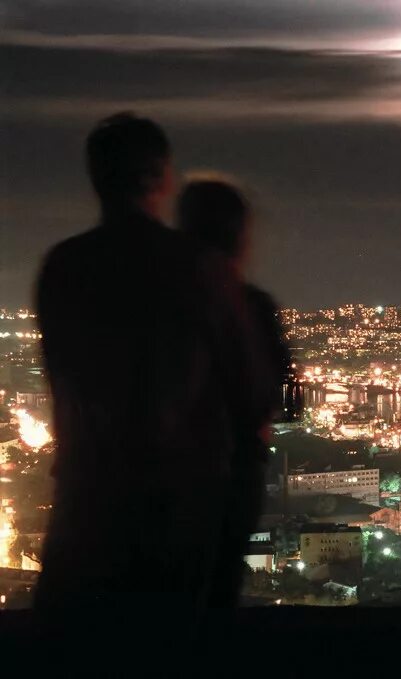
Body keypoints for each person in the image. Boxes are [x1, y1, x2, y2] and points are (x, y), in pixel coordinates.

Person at [33, 113, 256, 616]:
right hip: (175, 510)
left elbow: (60, 377)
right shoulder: (199, 269)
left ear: (96, 178)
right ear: (161, 177)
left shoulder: (64, 267)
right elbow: (250, 394)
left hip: (85, 503)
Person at [177, 177, 289, 606]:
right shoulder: (250, 305)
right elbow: (278, 396)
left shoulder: (163, 307)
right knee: (216, 594)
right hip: (232, 478)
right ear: (240, 236)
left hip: (167, 480)